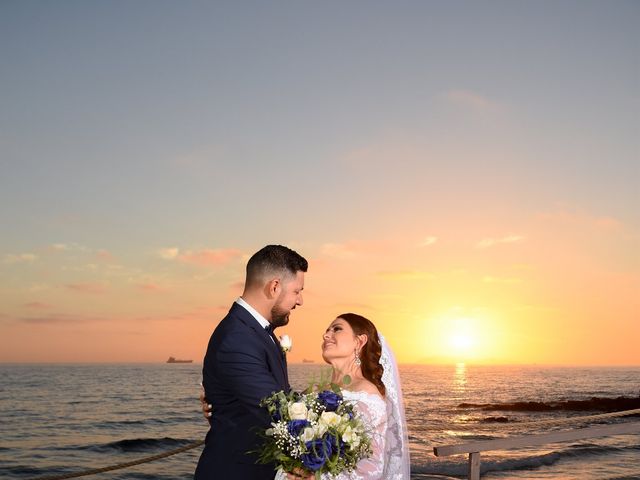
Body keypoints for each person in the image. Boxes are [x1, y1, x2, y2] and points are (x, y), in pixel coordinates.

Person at [194, 244, 308, 480]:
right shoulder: (238, 338)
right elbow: (279, 410)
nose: (301, 301)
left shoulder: (255, 331)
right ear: (274, 286)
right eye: (297, 291)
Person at [306, 313, 411, 480]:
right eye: (327, 330)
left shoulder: (366, 393)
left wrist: (318, 478)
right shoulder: (316, 390)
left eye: (337, 329)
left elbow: (372, 466)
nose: (326, 335)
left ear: (360, 341)